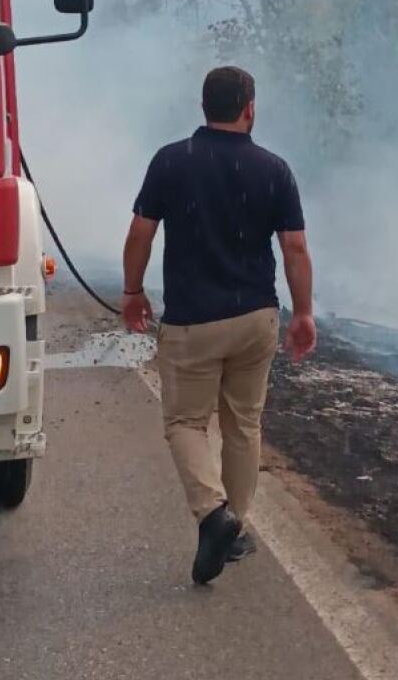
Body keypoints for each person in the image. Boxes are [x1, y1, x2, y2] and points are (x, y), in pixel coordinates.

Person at [122, 66, 316, 584]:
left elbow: (141, 231)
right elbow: (294, 247)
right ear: (249, 108)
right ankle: (234, 525)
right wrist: (302, 312)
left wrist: (133, 292)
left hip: (193, 322)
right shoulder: (274, 169)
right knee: (243, 424)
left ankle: (214, 515)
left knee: (186, 423)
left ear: (204, 106)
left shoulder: (171, 162)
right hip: (255, 318)